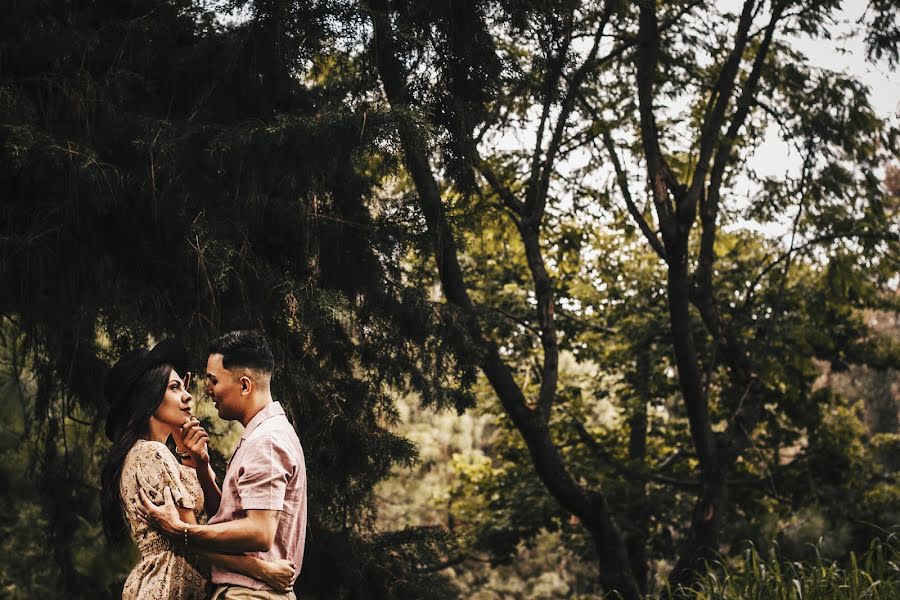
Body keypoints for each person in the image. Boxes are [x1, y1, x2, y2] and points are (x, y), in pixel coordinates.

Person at [101, 339, 296, 600]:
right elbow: (190, 541)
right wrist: (262, 570)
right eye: (174, 387)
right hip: (167, 586)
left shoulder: (162, 455)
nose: (188, 396)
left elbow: (212, 523)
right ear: (150, 397)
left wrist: (200, 466)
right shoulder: (150, 453)